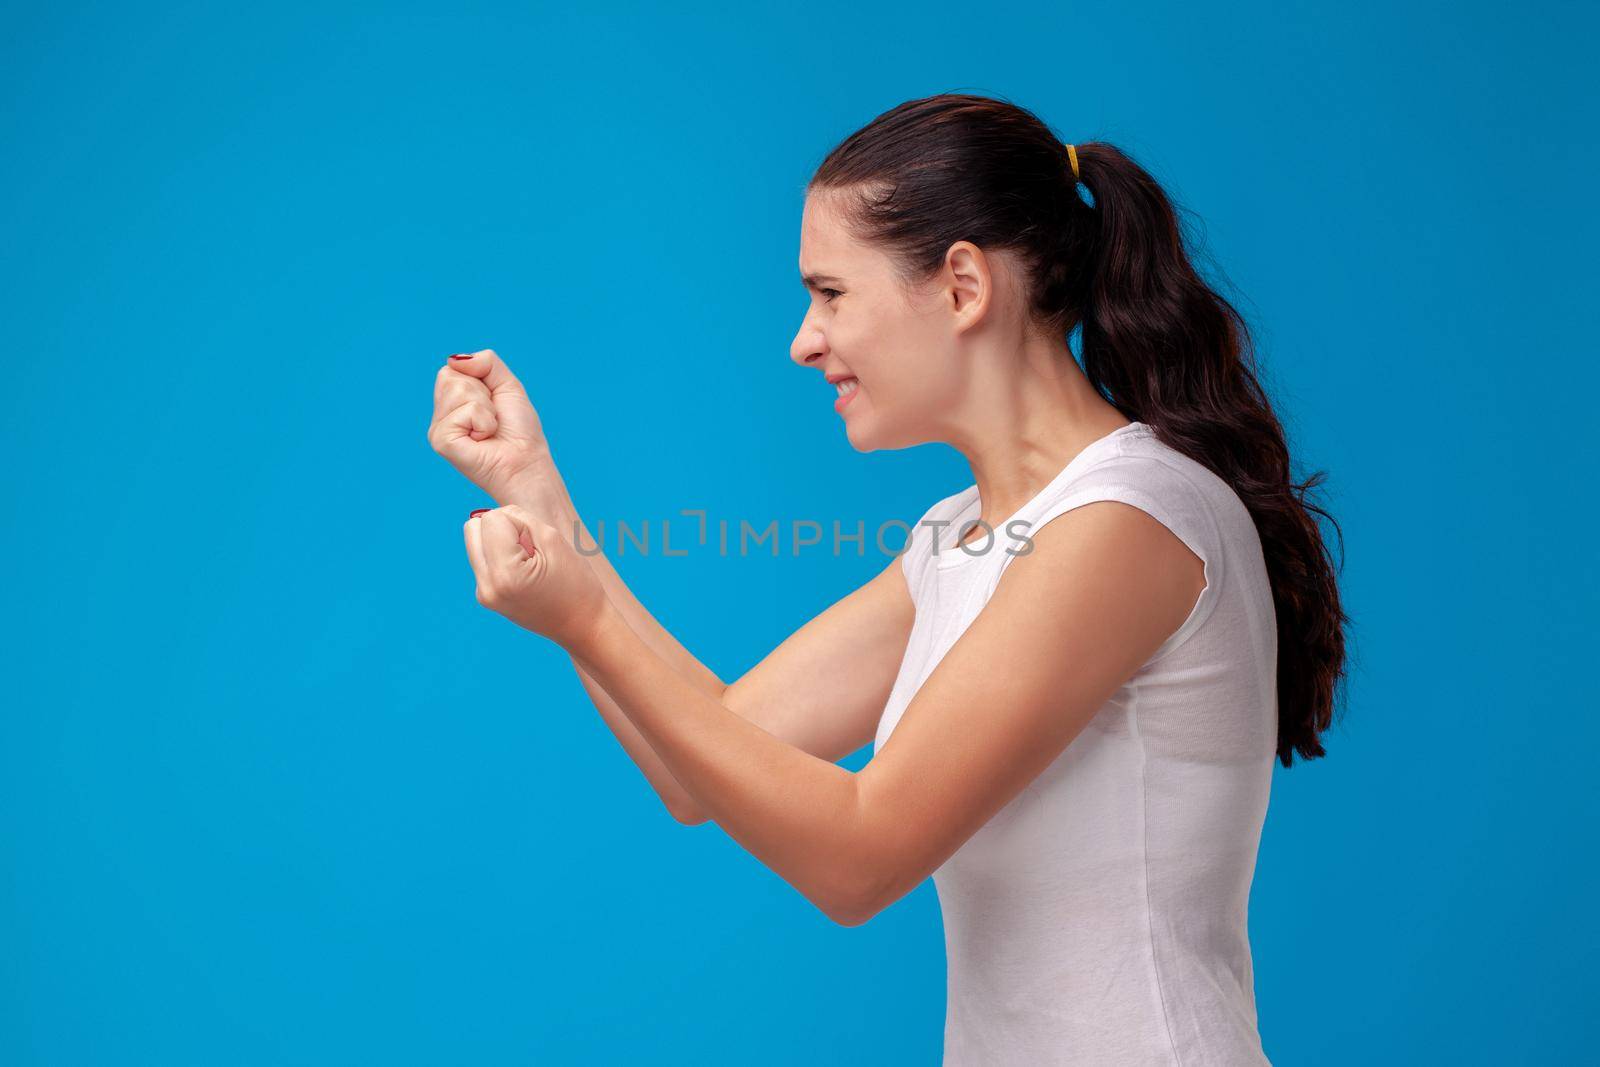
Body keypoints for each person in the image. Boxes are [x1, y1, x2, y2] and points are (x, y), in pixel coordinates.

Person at [427, 93, 1347, 1066]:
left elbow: (860, 854)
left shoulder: (1126, 518)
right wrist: (537, 500)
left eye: (830, 292)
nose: (802, 338)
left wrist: (584, 619)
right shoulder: (961, 537)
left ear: (960, 286)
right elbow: (698, 766)